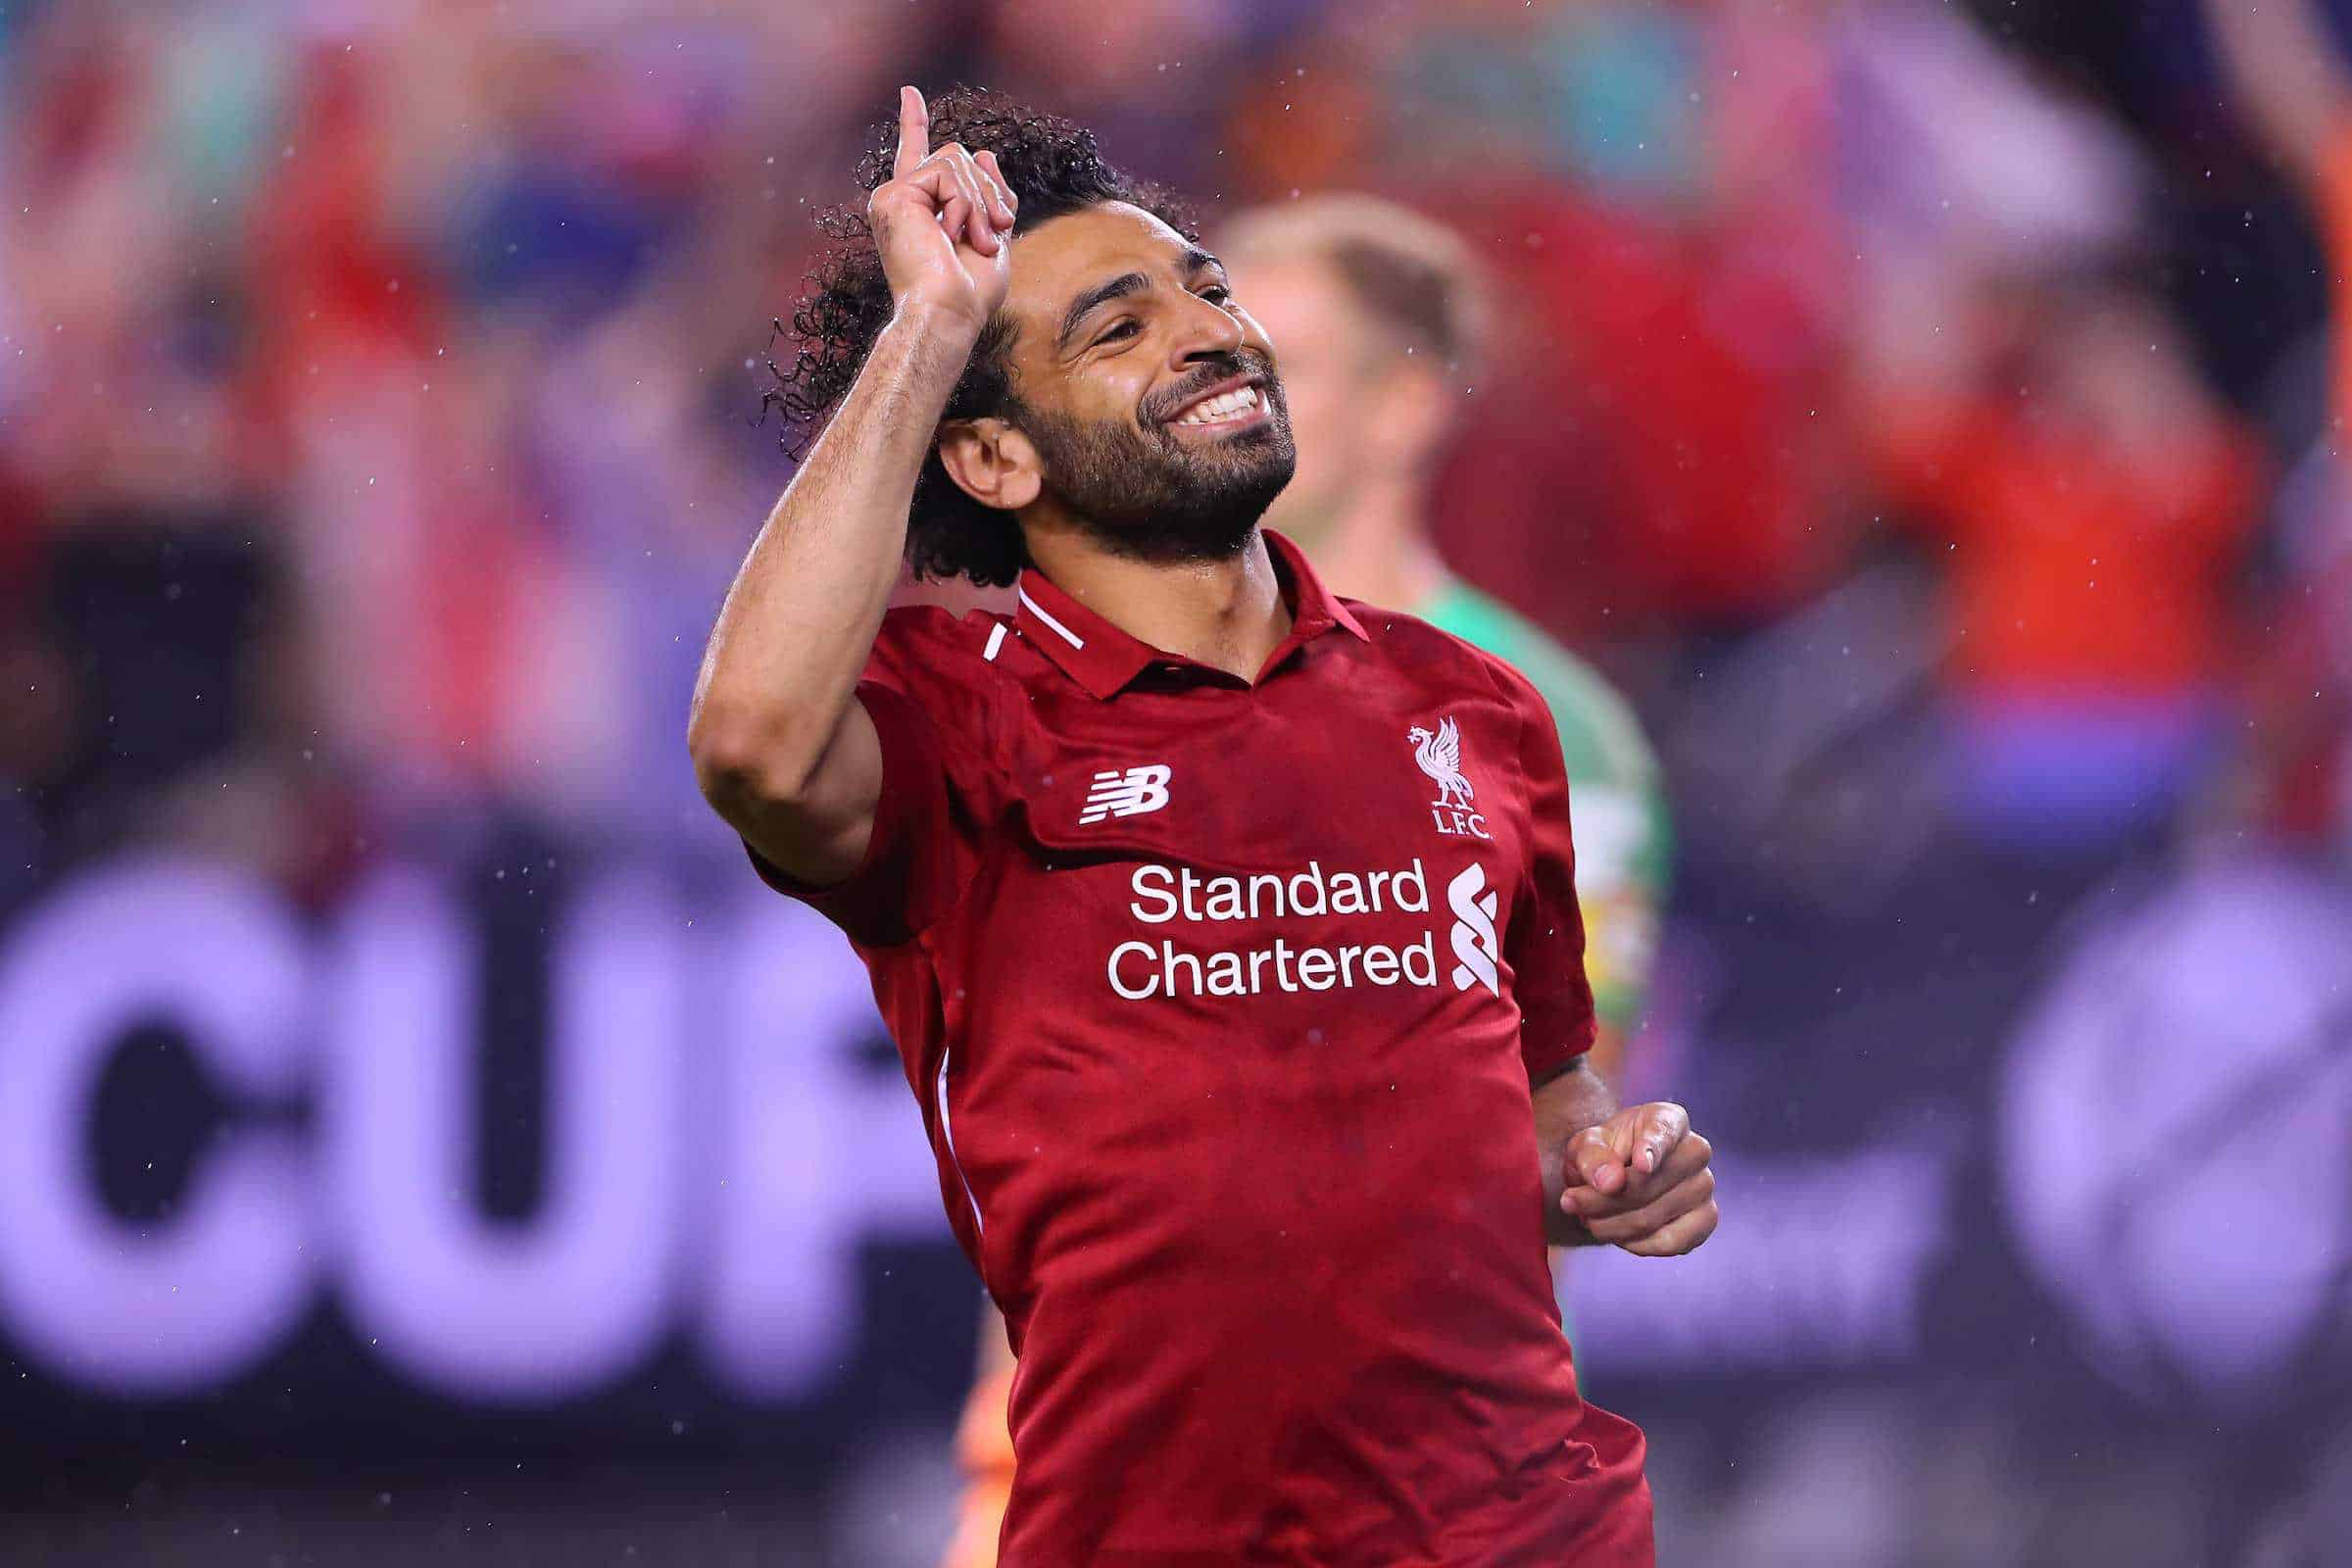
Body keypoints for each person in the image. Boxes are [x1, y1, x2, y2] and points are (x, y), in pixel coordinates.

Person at [691, 87, 1718, 1565]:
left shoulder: (1479, 705)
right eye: (1118, 328)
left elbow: (1549, 1090)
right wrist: (926, 335)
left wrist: (1608, 1165)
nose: (1208, 331)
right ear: (992, 460)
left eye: (1207, 289)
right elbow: (753, 746)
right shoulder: (958, 718)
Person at [939, 193, 1677, 1568]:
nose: (1207, 361)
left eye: (1266, 339)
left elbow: (1546, 1128)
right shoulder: (1074, 681)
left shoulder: (1542, 725)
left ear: (1404, 412)